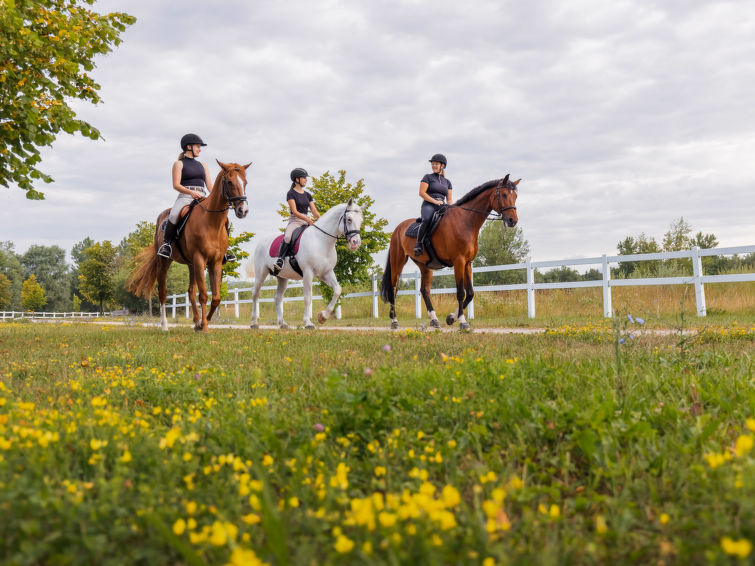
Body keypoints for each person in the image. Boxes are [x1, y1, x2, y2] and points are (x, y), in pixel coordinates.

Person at [157, 134, 235, 262]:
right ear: (189, 147)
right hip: (185, 196)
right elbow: (176, 185)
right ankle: (166, 245)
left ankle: (225, 249)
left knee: (226, 219)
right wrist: (191, 192)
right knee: (174, 215)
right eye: (198, 146)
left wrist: (215, 197)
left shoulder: (202, 165)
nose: (200, 149)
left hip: (202, 197)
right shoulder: (179, 164)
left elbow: (210, 185)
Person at [273, 168, 320, 274]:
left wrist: (321, 219)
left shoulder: (308, 195)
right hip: (295, 221)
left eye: (306, 178)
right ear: (297, 179)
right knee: (288, 236)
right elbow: (294, 211)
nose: (306, 180)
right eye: (304, 178)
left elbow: (314, 210)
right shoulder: (291, 193)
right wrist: (307, 219)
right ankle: (280, 260)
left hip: (307, 221)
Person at [415, 153, 453, 256]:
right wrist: (435, 201)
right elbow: (421, 193)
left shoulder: (448, 182)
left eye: (436, 164)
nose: (434, 166)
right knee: (427, 219)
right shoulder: (428, 177)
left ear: (442, 166)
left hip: (442, 206)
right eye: (433, 164)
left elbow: (449, 200)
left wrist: (452, 208)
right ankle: (418, 244)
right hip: (429, 205)